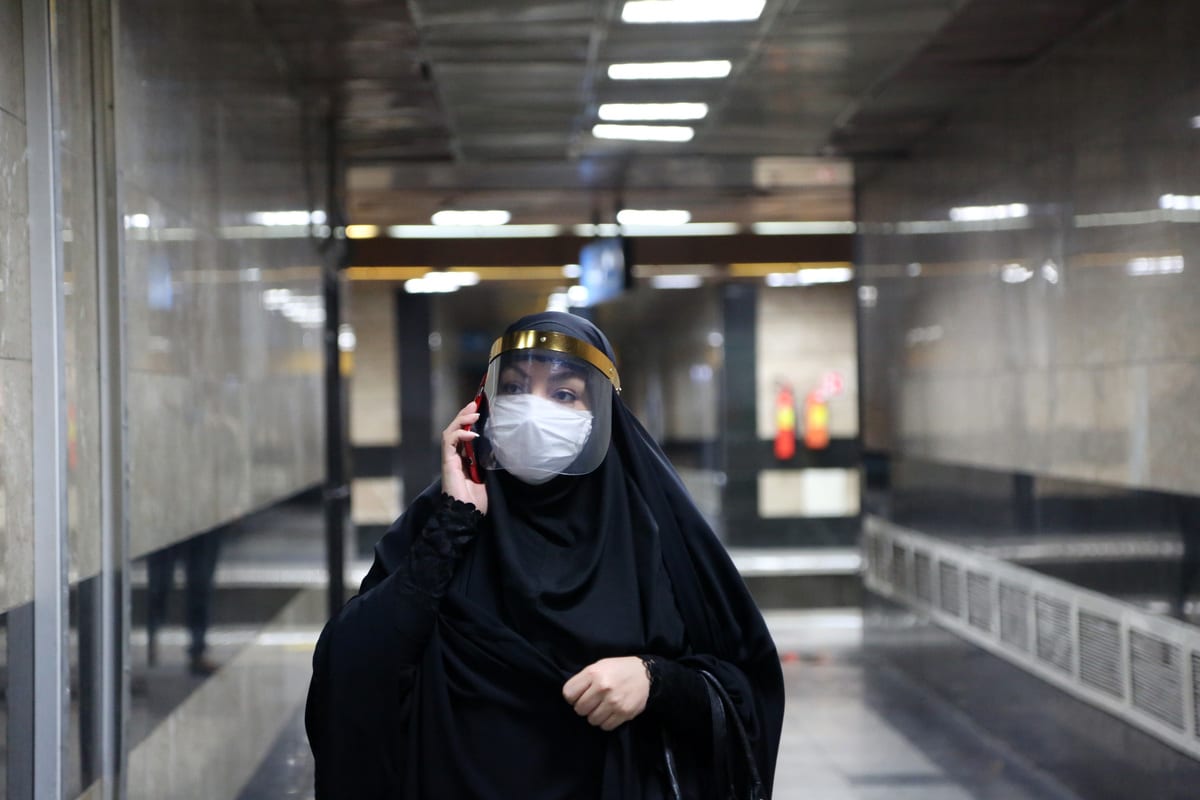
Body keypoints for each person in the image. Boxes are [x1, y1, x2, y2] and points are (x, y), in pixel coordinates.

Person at [305, 311, 784, 799]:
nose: (533, 411)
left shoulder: (655, 534)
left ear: (601, 414)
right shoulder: (442, 519)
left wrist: (654, 680)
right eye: (513, 389)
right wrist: (452, 525)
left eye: (563, 394)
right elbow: (351, 668)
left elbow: (745, 688)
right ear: (483, 406)